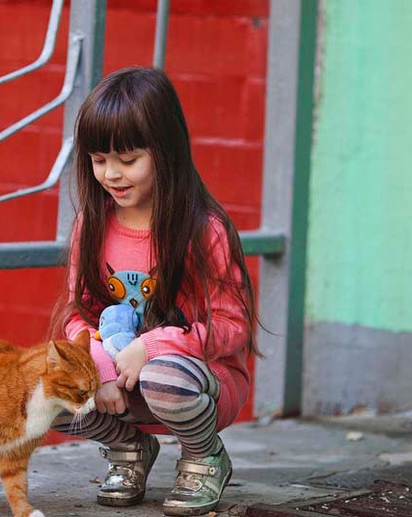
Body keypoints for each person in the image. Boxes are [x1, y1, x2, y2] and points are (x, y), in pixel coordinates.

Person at [51, 67, 259, 516]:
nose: (111, 174)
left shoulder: (204, 230)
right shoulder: (92, 224)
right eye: (99, 160)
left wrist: (152, 346)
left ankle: (204, 457)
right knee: (38, 390)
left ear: (165, 152)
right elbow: (77, 313)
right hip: (120, 382)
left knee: (162, 376)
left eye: (128, 160)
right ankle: (129, 449)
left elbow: (233, 326)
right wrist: (100, 366)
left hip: (195, 382)